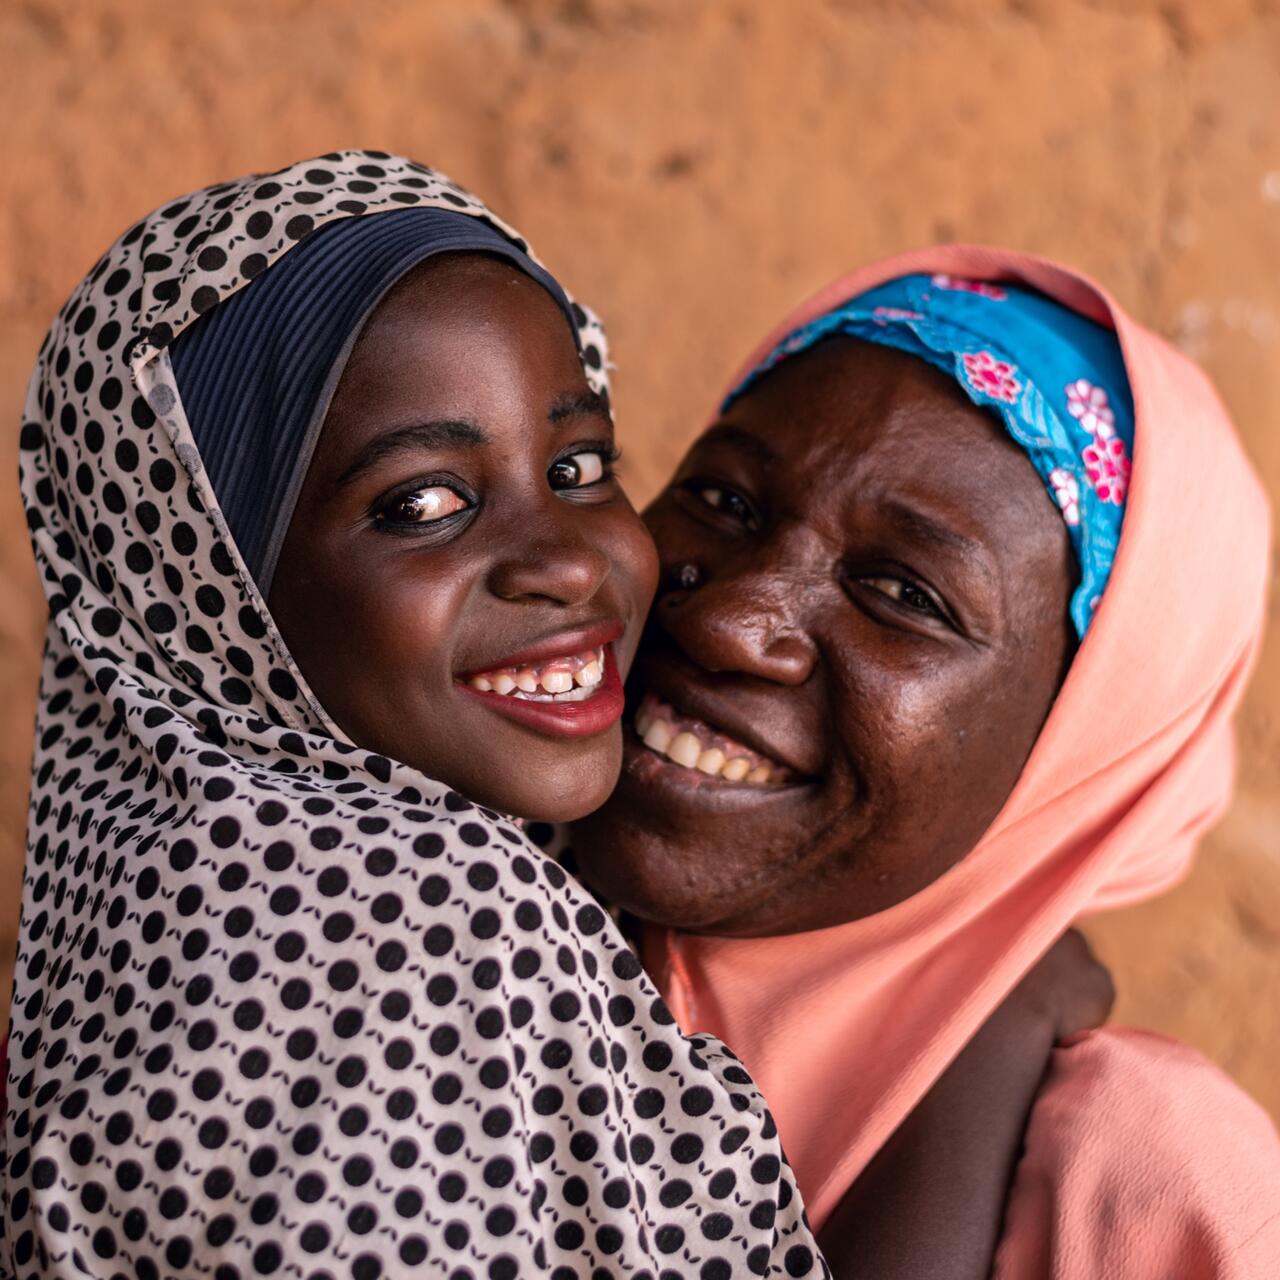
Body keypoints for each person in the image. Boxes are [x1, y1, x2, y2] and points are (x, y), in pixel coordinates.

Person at [0, 157, 1108, 1278]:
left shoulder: (174, 882)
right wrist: (983, 1063)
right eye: (421, 503)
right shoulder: (409, 930)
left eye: (581, 466)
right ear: (202, 579)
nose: (568, 561)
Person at [569, 254, 1280, 1275]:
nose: (729, 620)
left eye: (904, 593)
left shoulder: (1157, 1196)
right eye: (723, 500)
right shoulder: (399, 895)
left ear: (1076, 749)